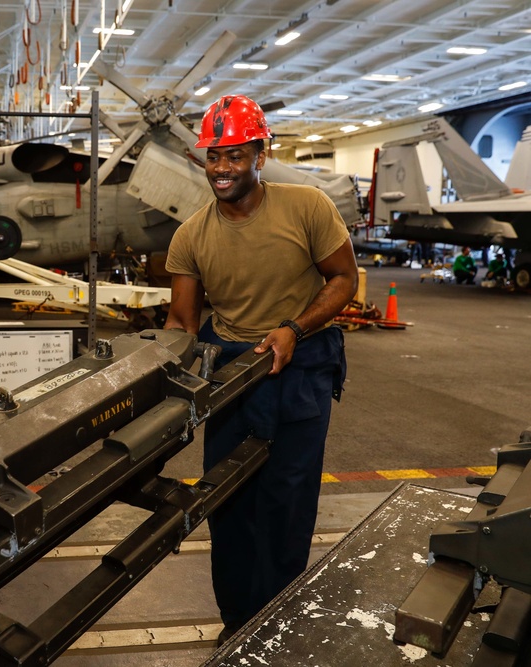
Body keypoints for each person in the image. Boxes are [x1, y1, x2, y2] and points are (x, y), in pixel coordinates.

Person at [163, 95, 357, 645]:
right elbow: (182, 318)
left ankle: (278, 626)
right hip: (230, 375)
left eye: (234, 156)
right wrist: (160, 373)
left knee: (286, 505)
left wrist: (294, 328)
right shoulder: (191, 235)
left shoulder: (308, 207)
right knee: (229, 506)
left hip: (300, 373)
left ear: (260, 155)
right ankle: (239, 624)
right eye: (213, 157)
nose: (221, 169)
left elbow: (344, 280)